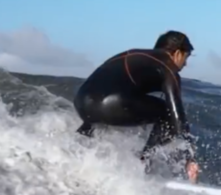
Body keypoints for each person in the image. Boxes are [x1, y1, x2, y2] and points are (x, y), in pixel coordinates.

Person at [73, 30, 200, 182]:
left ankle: (76, 155)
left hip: (82, 102)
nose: (185, 64)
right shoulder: (168, 67)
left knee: (100, 117)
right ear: (178, 53)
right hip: (111, 104)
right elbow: (177, 117)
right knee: (166, 112)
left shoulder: (132, 55)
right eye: (185, 58)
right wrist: (190, 158)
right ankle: (143, 164)